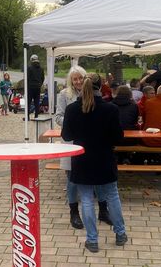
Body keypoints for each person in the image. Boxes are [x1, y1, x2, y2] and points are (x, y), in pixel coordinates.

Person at [62, 72, 128, 253]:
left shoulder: (73, 109)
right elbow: (118, 138)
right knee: (112, 196)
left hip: (82, 160)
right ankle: (120, 233)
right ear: (102, 85)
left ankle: (92, 240)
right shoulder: (111, 109)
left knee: (86, 200)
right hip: (104, 159)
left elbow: (66, 135)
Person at [56, 66, 111, 229]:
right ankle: (74, 212)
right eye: (75, 79)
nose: (78, 81)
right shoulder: (64, 95)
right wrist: (72, 120)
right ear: (71, 80)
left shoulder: (93, 94)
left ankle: (103, 210)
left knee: (99, 179)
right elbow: (58, 116)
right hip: (72, 142)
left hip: (91, 143)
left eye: (81, 78)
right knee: (72, 180)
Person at [26, 54, 44, 119]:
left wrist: (28, 85)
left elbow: (27, 78)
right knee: (37, 102)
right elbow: (43, 78)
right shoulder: (41, 68)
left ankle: (27, 116)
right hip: (38, 87)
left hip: (30, 87)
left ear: (31, 60)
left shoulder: (29, 68)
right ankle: (36, 116)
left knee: (28, 102)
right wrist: (39, 84)